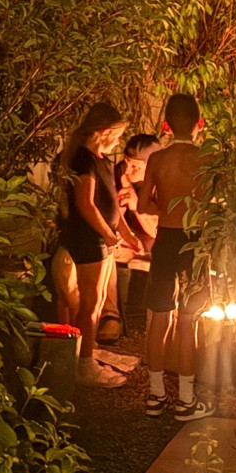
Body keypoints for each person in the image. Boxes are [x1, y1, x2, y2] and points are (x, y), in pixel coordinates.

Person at [136, 92, 211, 419]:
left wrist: (165, 209)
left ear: (165, 126)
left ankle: (155, 396)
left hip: (165, 239)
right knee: (188, 321)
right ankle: (186, 400)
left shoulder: (157, 160)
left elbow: (141, 205)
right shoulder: (209, 159)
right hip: (194, 242)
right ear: (200, 124)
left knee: (160, 317)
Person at [58, 101, 142, 386]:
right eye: (117, 135)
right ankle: (82, 364)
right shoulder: (83, 159)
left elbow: (112, 205)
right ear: (105, 131)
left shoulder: (102, 160)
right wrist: (107, 233)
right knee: (90, 303)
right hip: (88, 238)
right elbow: (86, 203)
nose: (118, 142)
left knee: (97, 301)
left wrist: (126, 234)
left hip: (102, 239)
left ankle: (88, 353)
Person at [97, 131, 161, 343]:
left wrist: (137, 206)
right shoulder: (118, 175)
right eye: (127, 163)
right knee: (105, 252)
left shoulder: (162, 182)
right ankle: (111, 314)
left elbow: (158, 229)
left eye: (136, 166)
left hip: (155, 243)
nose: (129, 169)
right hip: (128, 242)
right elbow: (112, 217)